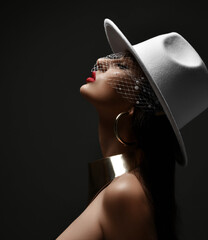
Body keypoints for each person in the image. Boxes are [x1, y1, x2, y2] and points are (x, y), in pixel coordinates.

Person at [56, 19, 208, 240]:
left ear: (138, 108)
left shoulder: (125, 192)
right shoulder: (121, 186)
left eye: (122, 66)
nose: (100, 61)